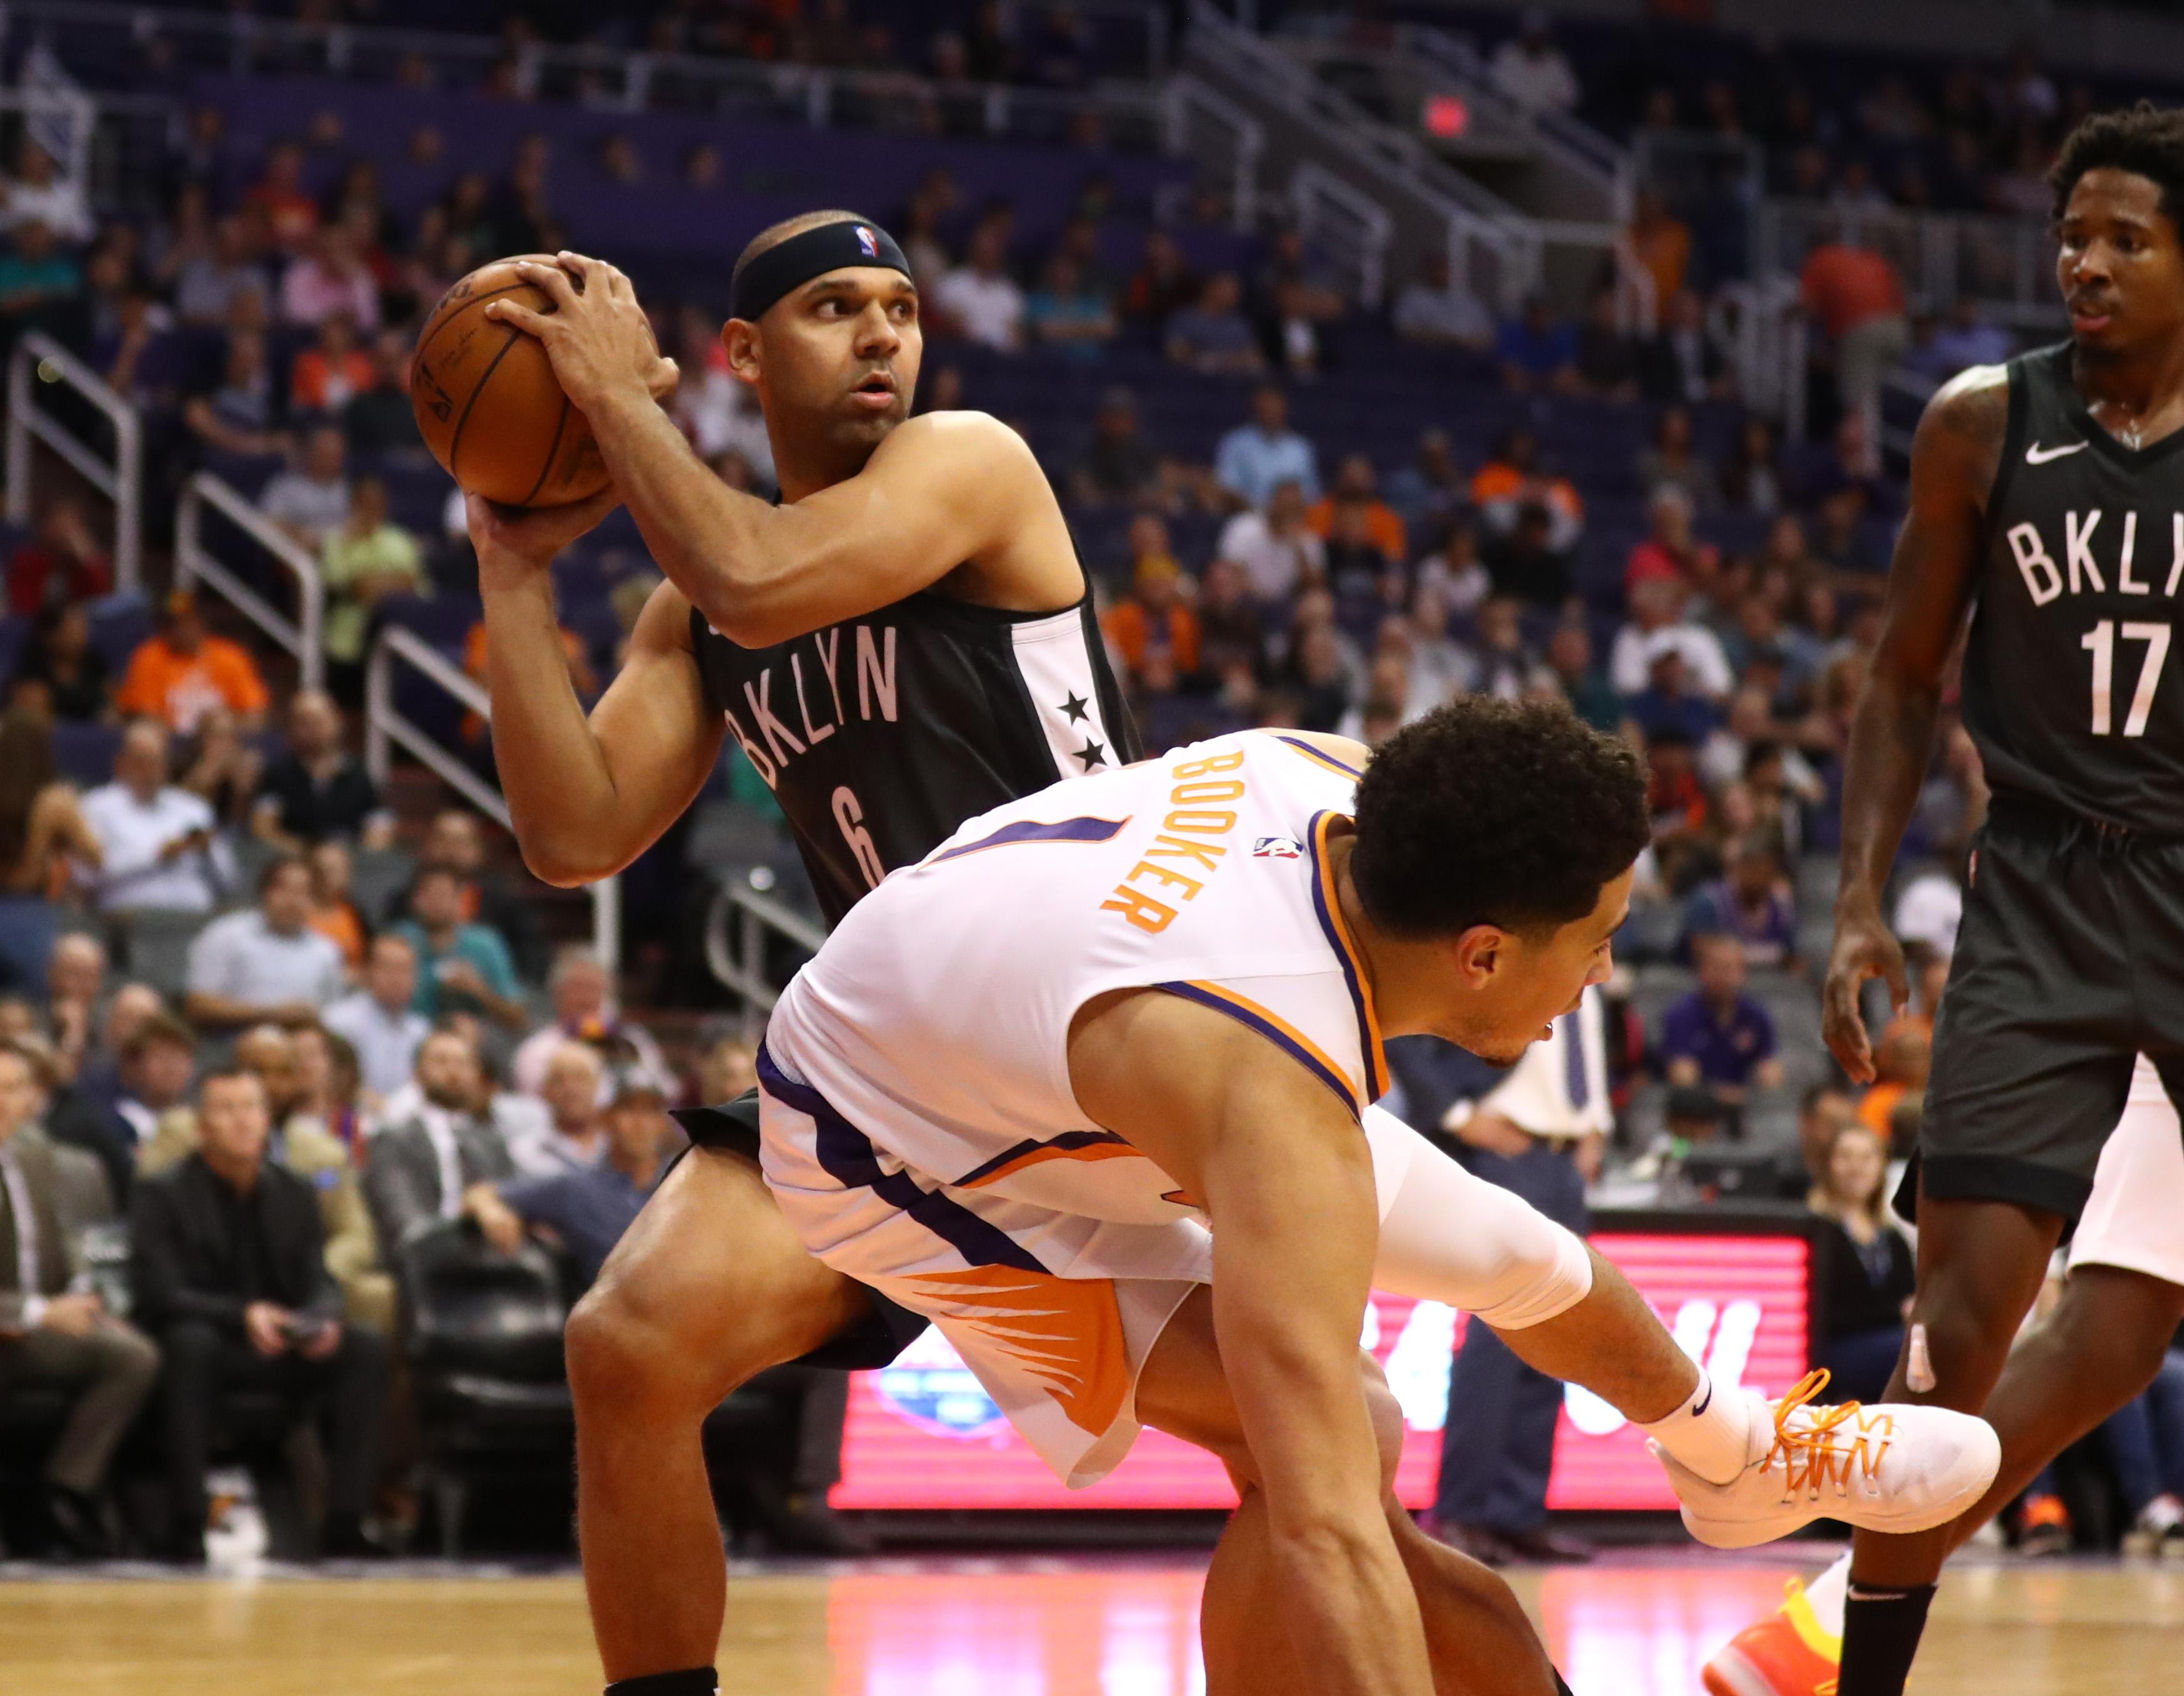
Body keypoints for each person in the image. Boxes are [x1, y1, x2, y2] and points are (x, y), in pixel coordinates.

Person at [753, 705, 1998, 1694]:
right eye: (1598, 936)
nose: (1608, 969)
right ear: (1483, 952)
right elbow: (1325, 1529)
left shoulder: (1342, 782)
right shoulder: (1271, 1093)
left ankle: (1732, 1456)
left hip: (1057, 1023)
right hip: (882, 1133)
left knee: (1520, 1250)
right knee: (1327, 1440)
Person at [1704, 107, 2184, 1696]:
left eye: (2127, 237)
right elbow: (1903, 679)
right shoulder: (1982, 424)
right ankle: (1854, 1674)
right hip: (2039, 888)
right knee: (1958, 1330)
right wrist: (1853, 904)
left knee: (2112, 1339)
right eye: (2075, 234)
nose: (2086, 262)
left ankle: (1824, 1606)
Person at [130, 1066, 389, 1562]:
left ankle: (345, 1520)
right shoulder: (162, 1192)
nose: (242, 1121)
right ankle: (187, 1523)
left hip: (282, 1342)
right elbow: (159, 1292)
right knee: (190, 1344)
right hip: (211, 1339)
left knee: (365, 1347)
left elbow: (318, 1274)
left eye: (251, 1108)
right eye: (226, 1110)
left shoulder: (294, 1189)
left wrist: (321, 1316)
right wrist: (242, 1314)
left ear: (268, 1119)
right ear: (201, 1127)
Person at [1429, 987, 1611, 1567]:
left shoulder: (1591, 945)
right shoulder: (1511, 926)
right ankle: (1459, 1511)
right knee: (1498, 1336)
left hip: (1565, 1159)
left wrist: (1596, 1121)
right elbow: (1412, 1032)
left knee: (1556, 1332)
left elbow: (1584, 1043)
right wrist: (1455, 1113)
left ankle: (1516, 1513)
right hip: (1508, 1149)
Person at [0, 1041, 160, 1557]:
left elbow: (59, 1251)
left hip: (33, 1329)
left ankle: (64, 1491)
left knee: (134, 1353)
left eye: (17, 1088)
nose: (8, 1100)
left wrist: (79, 1296)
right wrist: (42, 1312)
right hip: (17, 1322)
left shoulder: (33, 1156)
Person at [464, 1075, 679, 1292]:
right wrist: (491, 1211)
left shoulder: (680, 1184)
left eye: (651, 1112)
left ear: (662, 1124)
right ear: (605, 1119)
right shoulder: (578, 1189)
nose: (640, 1124)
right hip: (611, 1313)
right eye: (629, 1110)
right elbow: (480, 1194)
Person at [362, 1029, 515, 1255]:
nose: (453, 1071)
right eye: (440, 1061)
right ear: (417, 1073)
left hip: (489, 1253)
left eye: (463, 1063)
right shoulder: (393, 1140)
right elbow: (403, 1216)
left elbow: (511, 1202)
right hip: (424, 1255)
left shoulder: (493, 1141)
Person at [1810, 1123, 1917, 1407]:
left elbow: (1910, 1294)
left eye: (1867, 1158)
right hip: (1835, 1348)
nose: (1856, 1167)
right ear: (1829, 1165)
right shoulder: (1816, 1230)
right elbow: (1823, 1307)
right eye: (1846, 1157)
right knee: (1912, 1353)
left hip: (1892, 1343)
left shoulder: (1892, 1235)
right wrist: (1898, 1312)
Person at [77, 719, 227, 915]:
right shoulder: (95, 807)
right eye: (141, 761)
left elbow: (228, 882)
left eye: (157, 761)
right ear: (121, 763)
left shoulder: (195, 809)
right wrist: (157, 856)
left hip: (193, 916)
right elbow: (85, 877)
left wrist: (209, 852)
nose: (150, 770)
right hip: (128, 918)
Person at [181, 856, 345, 1033]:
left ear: (314, 901)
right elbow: (198, 1006)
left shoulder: (326, 950)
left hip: (303, 1047)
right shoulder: (225, 935)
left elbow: (334, 1014)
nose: (292, 901)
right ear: (265, 892)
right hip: (232, 1040)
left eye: (303, 893)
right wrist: (273, 1014)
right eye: (283, 889)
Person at [1657, 933, 1782, 1129]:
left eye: (1731, 969)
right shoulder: (1681, 1016)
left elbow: (1771, 1077)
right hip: (1695, 1116)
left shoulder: (1757, 1016)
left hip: (1745, 1115)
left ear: (1743, 972)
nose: (1725, 977)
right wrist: (1737, 1096)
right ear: (1702, 971)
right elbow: (1684, 1080)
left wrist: (1756, 1093)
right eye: (1717, 968)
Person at [511, 946, 668, 1101]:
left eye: (594, 988)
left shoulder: (634, 1040)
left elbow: (665, 1091)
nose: (586, 998)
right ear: (556, 994)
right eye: (578, 988)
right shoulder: (537, 1051)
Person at [252, 690, 392, 853]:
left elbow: (379, 826)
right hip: (296, 862)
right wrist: (306, 854)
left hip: (347, 860)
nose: (312, 728)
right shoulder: (278, 774)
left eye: (319, 719)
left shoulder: (360, 775)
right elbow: (264, 829)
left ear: (338, 720)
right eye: (303, 721)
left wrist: (356, 855)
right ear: (292, 728)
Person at [113, 593, 270, 736]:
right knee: (144, 732)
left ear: (202, 623)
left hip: (218, 737)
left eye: (188, 622)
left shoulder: (229, 657)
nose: (181, 630)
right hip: (168, 739)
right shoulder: (150, 656)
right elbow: (144, 712)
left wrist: (221, 727)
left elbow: (254, 712)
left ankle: (207, 765)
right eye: (174, 624)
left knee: (221, 724)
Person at [389, 866, 525, 1031]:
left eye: (442, 894)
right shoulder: (398, 941)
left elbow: (519, 1019)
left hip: (472, 1040)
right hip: (406, 1033)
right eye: (428, 894)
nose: (435, 902)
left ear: (460, 900)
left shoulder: (485, 944)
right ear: (415, 900)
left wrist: (478, 990)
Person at [323, 933, 429, 1099]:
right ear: (366, 972)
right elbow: (328, 1081)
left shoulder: (422, 1031)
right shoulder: (338, 1022)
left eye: (405, 970)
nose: (397, 978)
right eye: (387, 968)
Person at [1214, 384, 1319, 509]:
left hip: (1292, 516)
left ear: (1284, 408)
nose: (1271, 411)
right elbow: (1227, 488)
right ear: (1256, 408)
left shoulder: (1301, 448)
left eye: (1275, 406)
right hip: (1249, 515)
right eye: (1265, 406)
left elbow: (1311, 494)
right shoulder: (1235, 443)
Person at [512, 1042, 608, 1178]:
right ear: (546, 1092)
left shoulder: (617, 1146)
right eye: (559, 1081)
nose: (570, 1089)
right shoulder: (528, 1150)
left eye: (580, 1078)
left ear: (597, 1086)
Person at [1392, 252, 1494, 353]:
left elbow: (1488, 335)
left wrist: (1471, 343)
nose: (1443, 273)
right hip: (1427, 354)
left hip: (1469, 355)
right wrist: (1448, 339)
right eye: (1438, 268)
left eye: (1446, 269)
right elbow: (1405, 331)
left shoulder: (1468, 299)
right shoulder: (1413, 296)